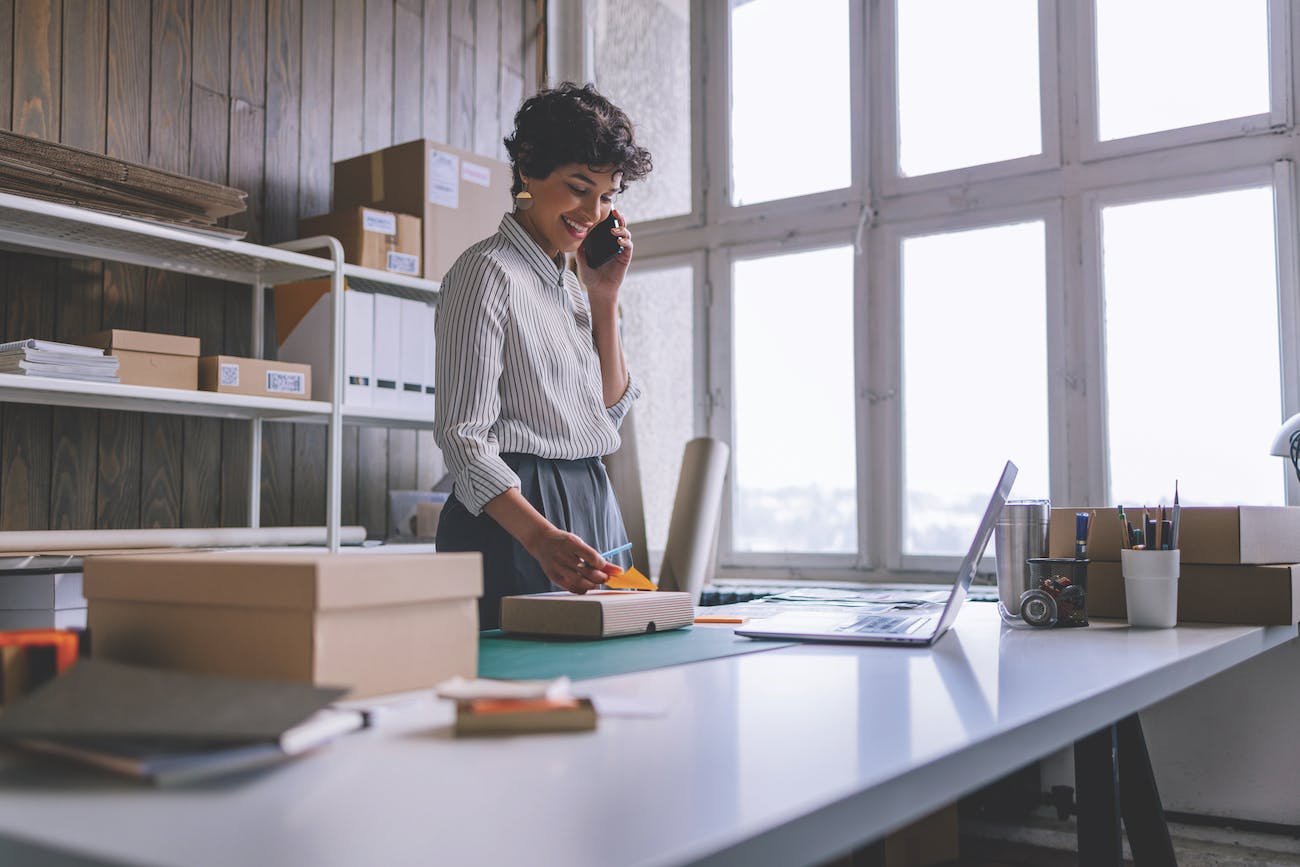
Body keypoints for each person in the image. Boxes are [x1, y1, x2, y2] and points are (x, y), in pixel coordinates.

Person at [434, 82, 653, 629]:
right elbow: (464, 439)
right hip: (515, 517)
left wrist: (605, 298)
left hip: (591, 501)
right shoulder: (485, 272)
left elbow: (605, 417)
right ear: (528, 171)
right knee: (514, 687)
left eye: (606, 196)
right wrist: (538, 536)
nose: (592, 212)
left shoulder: (575, 284)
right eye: (578, 187)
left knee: (602, 685)